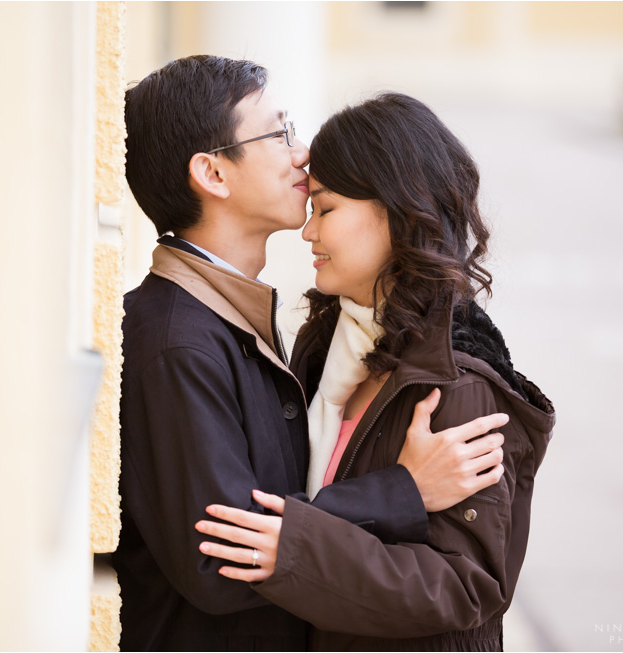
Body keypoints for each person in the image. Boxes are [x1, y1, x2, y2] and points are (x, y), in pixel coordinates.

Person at [115, 57, 509, 651]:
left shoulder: (250, 323)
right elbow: (223, 555)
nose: (301, 153)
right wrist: (404, 491)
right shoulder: (177, 341)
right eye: (277, 133)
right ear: (213, 173)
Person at [196, 92, 557, 651]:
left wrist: (296, 549)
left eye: (327, 208)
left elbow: (465, 585)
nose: (308, 232)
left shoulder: (456, 382)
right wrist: (399, 492)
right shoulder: (329, 345)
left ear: (396, 209)